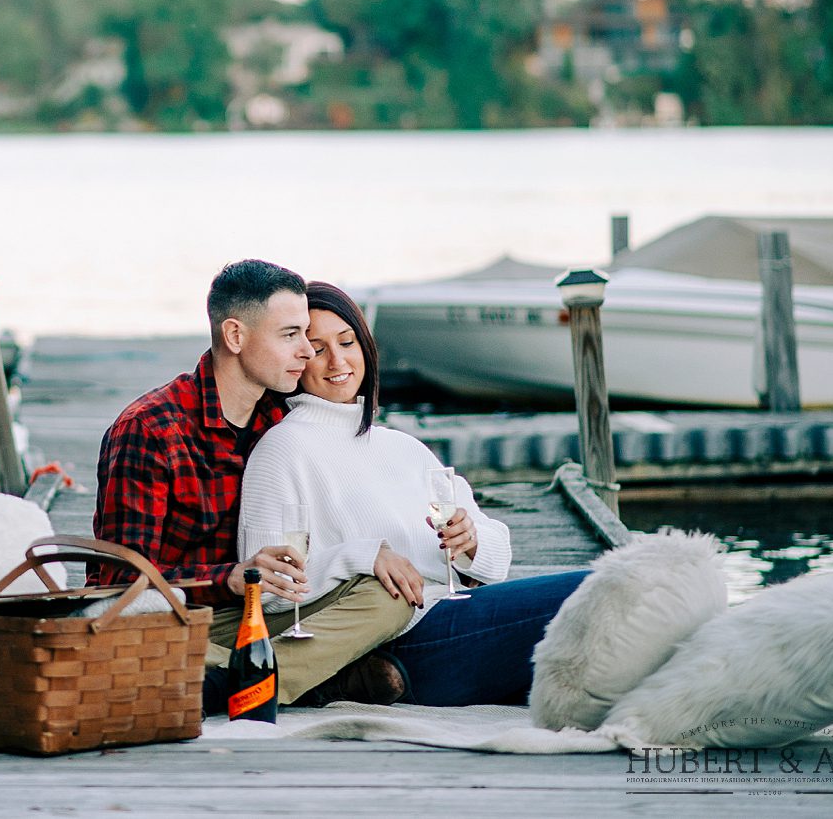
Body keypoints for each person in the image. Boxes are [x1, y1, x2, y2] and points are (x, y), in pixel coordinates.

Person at [238, 281, 586, 706]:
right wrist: (359, 556)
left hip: (459, 612)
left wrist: (471, 541)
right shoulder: (283, 449)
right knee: (597, 589)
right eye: (316, 348)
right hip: (400, 636)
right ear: (297, 361)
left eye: (347, 342)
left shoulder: (403, 447)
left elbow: (497, 559)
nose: (337, 361)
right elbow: (267, 593)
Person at [94, 260, 415, 711]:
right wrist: (226, 578)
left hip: (260, 613)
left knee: (388, 596)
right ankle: (293, 679)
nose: (307, 352)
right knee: (138, 642)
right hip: (176, 618)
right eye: (290, 335)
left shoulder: (282, 420)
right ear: (235, 337)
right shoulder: (150, 430)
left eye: (306, 333)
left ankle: (238, 680)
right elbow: (120, 583)